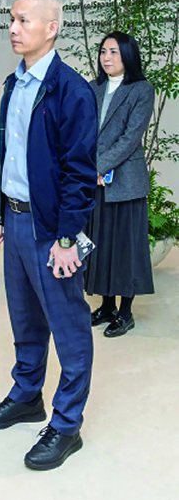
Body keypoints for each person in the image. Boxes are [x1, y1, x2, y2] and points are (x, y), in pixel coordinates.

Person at [0, 0, 98, 471]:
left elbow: (79, 173)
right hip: (15, 220)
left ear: (51, 28)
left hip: (51, 232)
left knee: (68, 326)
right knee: (25, 318)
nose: (13, 28)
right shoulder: (15, 83)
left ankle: (67, 424)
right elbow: (6, 152)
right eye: (12, 19)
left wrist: (67, 238)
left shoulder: (71, 90)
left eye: (23, 20)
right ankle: (27, 395)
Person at [86, 31, 155, 337]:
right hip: (96, 180)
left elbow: (130, 138)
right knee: (101, 244)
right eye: (103, 52)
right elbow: (83, 131)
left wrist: (99, 167)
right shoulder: (93, 88)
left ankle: (126, 313)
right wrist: (89, 168)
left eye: (113, 52)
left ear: (128, 55)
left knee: (125, 248)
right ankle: (107, 306)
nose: (107, 58)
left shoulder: (142, 90)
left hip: (125, 181)